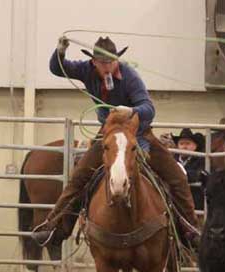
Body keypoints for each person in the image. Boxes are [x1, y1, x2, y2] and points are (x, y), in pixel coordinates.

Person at [31, 36, 199, 247]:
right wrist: (60, 52)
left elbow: (149, 108)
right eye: (103, 63)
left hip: (138, 134)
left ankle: (190, 231)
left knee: (176, 177)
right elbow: (58, 68)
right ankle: (55, 228)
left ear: (117, 60)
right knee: (79, 178)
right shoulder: (86, 70)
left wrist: (132, 110)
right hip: (108, 134)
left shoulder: (129, 77)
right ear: (94, 62)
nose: (108, 66)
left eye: (111, 62)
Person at [171, 128, 205, 211]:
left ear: (195, 146)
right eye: (181, 144)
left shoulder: (200, 159)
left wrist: (177, 174)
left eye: (188, 143)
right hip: (175, 199)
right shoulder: (172, 159)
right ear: (178, 146)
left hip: (194, 200)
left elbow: (196, 175)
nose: (184, 147)